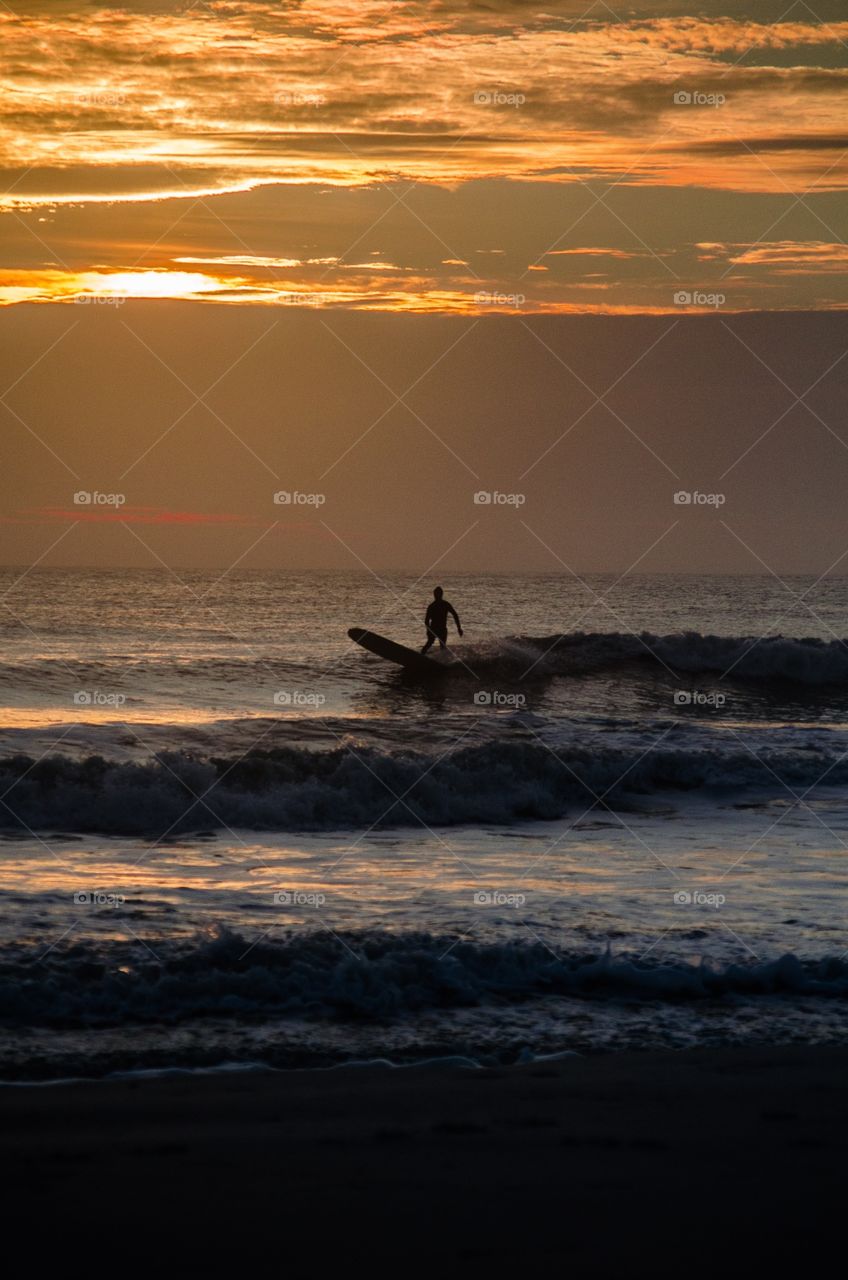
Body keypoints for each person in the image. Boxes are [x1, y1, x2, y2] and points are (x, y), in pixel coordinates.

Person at [421, 586, 462, 653]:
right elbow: (426, 620)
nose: (436, 596)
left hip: (441, 629)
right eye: (436, 594)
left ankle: (441, 660)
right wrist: (428, 631)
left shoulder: (444, 604)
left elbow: (455, 615)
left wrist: (459, 628)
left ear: (441, 594)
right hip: (434, 628)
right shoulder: (432, 606)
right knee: (430, 643)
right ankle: (421, 656)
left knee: (441, 646)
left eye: (437, 594)